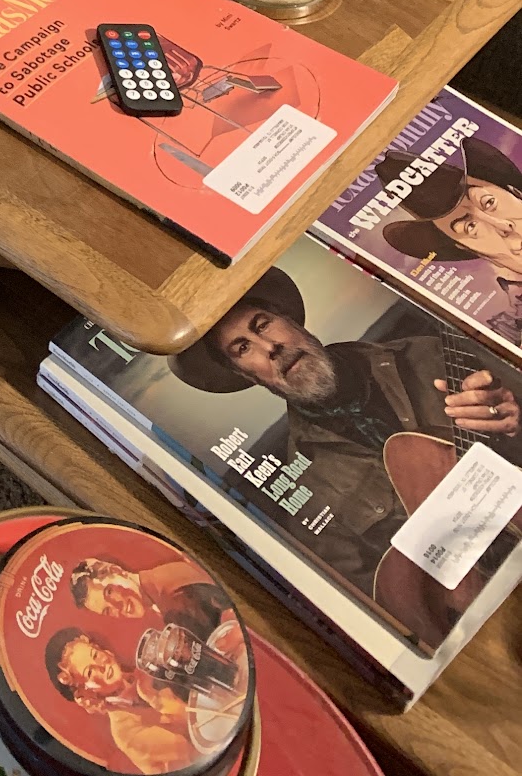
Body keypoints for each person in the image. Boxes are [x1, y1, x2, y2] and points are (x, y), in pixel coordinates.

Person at [170, 266, 521, 599]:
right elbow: (388, 602)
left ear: (291, 321)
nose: (270, 348)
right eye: (243, 348)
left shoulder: (428, 352)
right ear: (246, 375)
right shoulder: (306, 491)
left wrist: (513, 416)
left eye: (263, 325)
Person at [377, 133, 522, 345]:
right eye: (470, 226)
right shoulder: (512, 328)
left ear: (516, 192)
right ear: (466, 248)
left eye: (489, 202)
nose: (504, 226)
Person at [44, 627, 199, 774]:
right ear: (85, 695)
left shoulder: (144, 669)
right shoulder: (126, 733)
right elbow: (194, 752)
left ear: (105, 651)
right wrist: (154, 697)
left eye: (95, 655)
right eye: (90, 672)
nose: (101, 666)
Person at [68, 554, 232, 646]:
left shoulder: (172, 599)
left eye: (109, 593)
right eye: (107, 610)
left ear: (117, 571)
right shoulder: (158, 597)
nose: (118, 606)